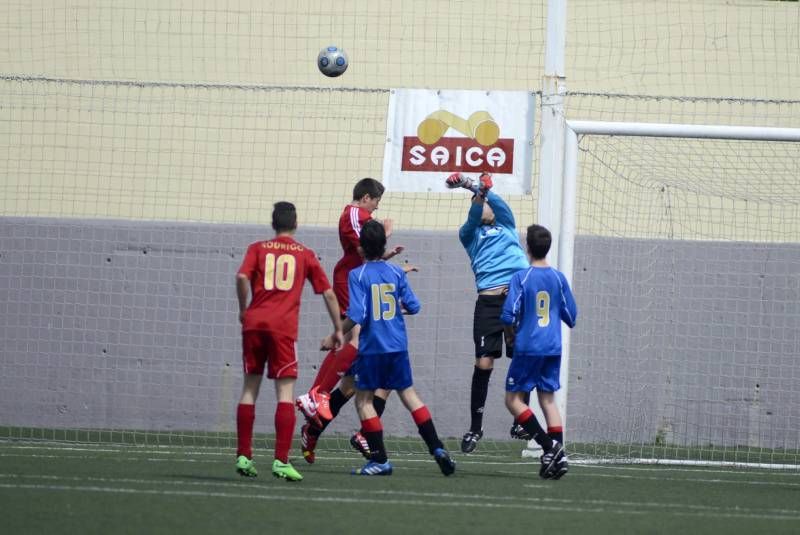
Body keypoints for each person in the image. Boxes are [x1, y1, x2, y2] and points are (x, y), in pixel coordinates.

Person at [321, 219, 456, 476]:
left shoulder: (356, 274)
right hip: (398, 346)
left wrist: (335, 335)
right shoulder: (396, 272)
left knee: (363, 401)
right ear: (384, 245)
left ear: (361, 248)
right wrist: (394, 310)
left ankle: (380, 460)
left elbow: (358, 314)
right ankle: (437, 448)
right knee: (410, 396)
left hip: (373, 348)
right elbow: (414, 306)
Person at [295, 178, 406, 464]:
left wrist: (388, 256)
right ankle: (316, 394)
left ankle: (315, 429)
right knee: (359, 348)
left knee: (354, 382)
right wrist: (385, 233)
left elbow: (369, 253)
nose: (378, 206)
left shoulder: (361, 218)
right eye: (376, 201)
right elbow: (361, 250)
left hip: (364, 284)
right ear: (366, 197)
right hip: (352, 283)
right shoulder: (356, 215)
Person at [234, 202, 343, 481]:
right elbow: (329, 294)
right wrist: (338, 329)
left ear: (273, 224)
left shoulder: (257, 248)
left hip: (254, 325)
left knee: (249, 389)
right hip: (282, 330)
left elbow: (242, 276)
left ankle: (244, 456)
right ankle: (281, 461)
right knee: (284, 394)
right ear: (295, 224)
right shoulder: (304, 254)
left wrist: (243, 308)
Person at [445, 172, 531, 453]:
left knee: (522, 356)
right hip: (489, 303)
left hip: (516, 298)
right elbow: (472, 217)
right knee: (483, 364)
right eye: (482, 204)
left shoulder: (507, 225)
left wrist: (484, 190)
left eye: (488, 203)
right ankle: (475, 427)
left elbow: (502, 206)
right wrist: (475, 190)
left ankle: (521, 419)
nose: (488, 207)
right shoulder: (469, 235)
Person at [500, 224, 577, 479]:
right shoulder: (558, 278)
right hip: (552, 347)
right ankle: (558, 457)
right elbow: (571, 316)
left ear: (528, 248)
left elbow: (507, 314)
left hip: (529, 346)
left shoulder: (521, 277)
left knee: (513, 400)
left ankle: (549, 446)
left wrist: (511, 337)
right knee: (547, 401)